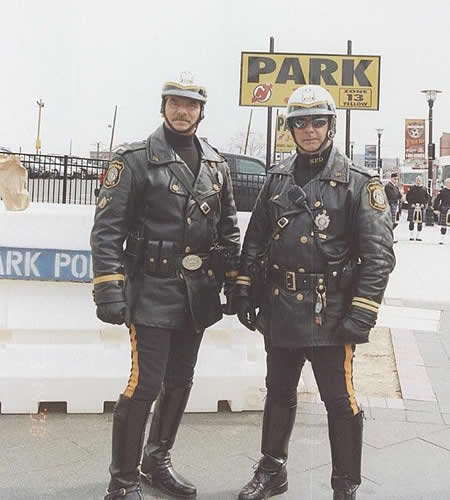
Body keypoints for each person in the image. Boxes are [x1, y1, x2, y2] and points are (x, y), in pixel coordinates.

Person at [234, 85, 395, 500]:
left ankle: (345, 485)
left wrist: (362, 313)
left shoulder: (360, 183)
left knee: (339, 402)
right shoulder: (277, 177)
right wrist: (246, 290)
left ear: (331, 126)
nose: (308, 130)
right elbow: (255, 241)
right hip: (281, 307)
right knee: (279, 392)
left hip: (332, 313)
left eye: (317, 121)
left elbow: (379, 257)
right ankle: (272, 470)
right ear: (290, 128)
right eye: (299, 122)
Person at [90, 73, 240, 500]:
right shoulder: (135, 159)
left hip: (197, 295)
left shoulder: (216, 163)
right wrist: (109, 289)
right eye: (175, 102)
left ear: (201, 112)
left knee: (180, 381)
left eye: (190, 105)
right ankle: (122, 481)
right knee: (145, 384)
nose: (182, 111)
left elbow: (228, 230)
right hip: (151, 289)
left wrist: (235, 283)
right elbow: (106, 233)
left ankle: (157, 461)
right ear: (163, 106)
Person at [406, 175, 429, 241]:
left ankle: (418, 236)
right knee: (411, 221)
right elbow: (408, 197)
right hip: (412, 206)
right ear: (415, 181)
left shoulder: (425, 189)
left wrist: (423, 204)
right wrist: (411, 203)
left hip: (421, 207)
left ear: (421, 181)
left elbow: (427, 198)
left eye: (419, 180)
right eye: (417, 180)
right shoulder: (411, 188)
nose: (418, 181)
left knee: (420, 222)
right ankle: (411, 235)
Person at [384, 172, 402, 242]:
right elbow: (392, 196)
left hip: (396, 205)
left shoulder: (396, 187)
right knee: (391, 222)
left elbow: (399, 196)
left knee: (395, 222)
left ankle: (391, 236)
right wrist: (398, 195)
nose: (396, 180)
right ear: (391, 178)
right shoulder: (388, 186)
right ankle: (389, 237)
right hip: (391, 205)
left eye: (397, 179)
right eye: (395, 179)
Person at [433, 177, 450, 245]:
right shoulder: (442, 191)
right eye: (448, 183)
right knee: (444, 225)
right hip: (444, 209)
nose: (449, 184)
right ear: (446, 183)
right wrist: (436, 209)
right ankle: (442, 239)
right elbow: (437, 200)